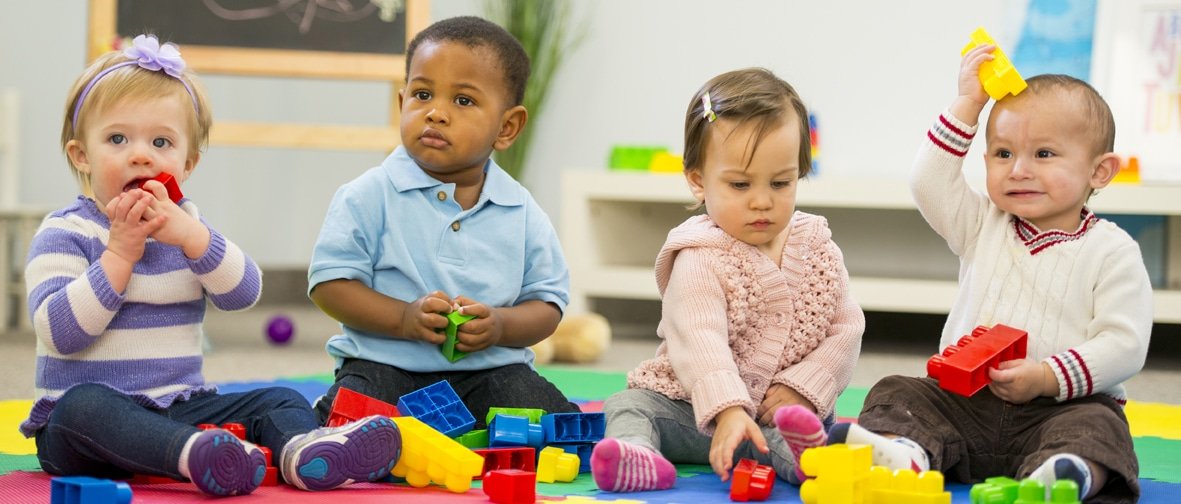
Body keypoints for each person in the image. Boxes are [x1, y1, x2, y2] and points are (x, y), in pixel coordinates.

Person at [23, 34, 400, 497]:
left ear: (187, 163)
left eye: (161, 141)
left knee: (279, 397)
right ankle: (195, 455)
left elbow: (243, 293)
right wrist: (119, 254)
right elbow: (61, 332)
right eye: (117, 138)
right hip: (84, 426)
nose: (140, 154)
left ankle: (303, 453)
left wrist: (192, 237)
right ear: (82, 155)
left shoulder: (187, 228)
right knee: (83, 408)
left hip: (180, 406)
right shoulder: (66, 232)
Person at [831, 44, 1151, 503]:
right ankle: (906, 455)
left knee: (1100, 426)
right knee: (897, 391)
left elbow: (1125, 345)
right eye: (1002, 153)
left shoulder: (1112, 251)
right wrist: (968, 105)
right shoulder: (983, 225)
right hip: (963, 407)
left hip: (1058, 410)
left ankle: (1064, 474)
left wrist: (1047, 376)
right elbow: (928, 183)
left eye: (1043, 154)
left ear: (1100, 171)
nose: (1018, 170)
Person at [590, 68, 865, 492]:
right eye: (739, 184)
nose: (762, 201)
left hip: (779, 411)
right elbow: (701, 340)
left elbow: (846, 328)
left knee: (798, 430)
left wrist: (804, 389)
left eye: (781, 183)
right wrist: (728, 409)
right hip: (691, 411)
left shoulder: (819, 246)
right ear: (698, 180)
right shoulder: (699, 256)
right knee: (628, 404)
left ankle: (807, 458)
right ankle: (636, 454)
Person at [307, 16, 581, 427]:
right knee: (354, 414)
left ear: (506, 127)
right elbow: (329, 285)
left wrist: (501, 325)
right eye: (422, 94)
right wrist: (403, 318)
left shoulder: (521, 211)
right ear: (401, 105)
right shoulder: (367, 194)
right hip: (387, 366)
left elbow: (547, 304)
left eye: (463, 101)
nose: (436, 113)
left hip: (489, 372)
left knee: (551, 419)